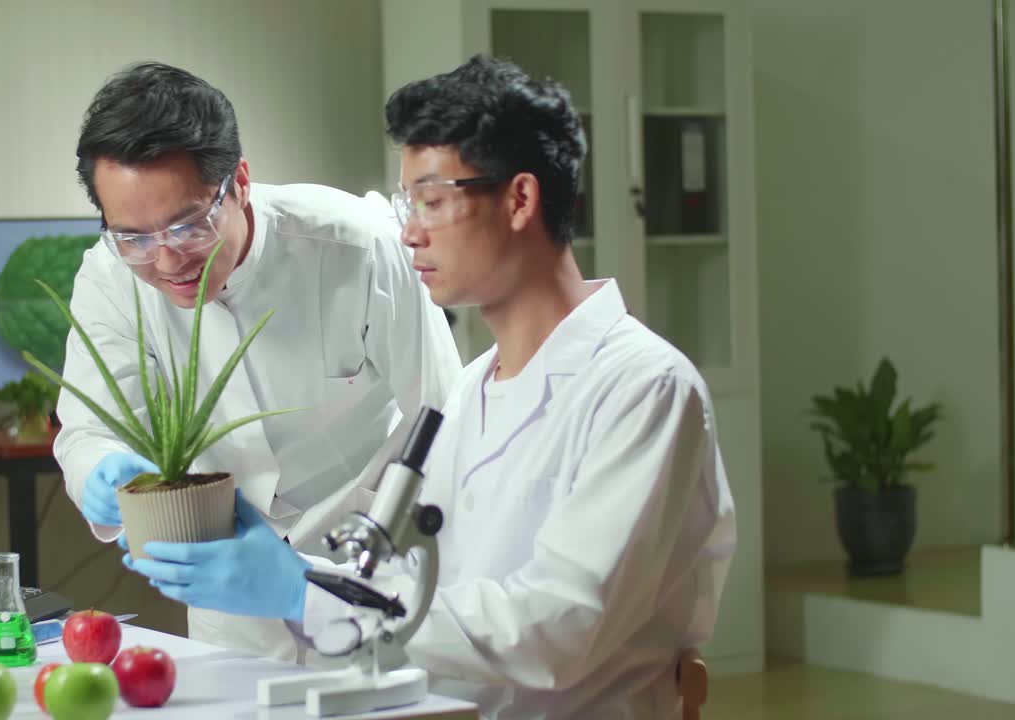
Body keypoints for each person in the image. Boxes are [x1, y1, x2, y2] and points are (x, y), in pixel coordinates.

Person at [126, 55, 737, 719]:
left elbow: (558, 628)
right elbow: (413, 592)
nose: (410, 232)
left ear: (520, 200)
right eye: (405, 204)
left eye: (433, 202)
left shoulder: (644, 389)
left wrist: (302, 591)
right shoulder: (473, 389)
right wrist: (286, 570)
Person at [55, 61, 462, 660]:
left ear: (239, 182)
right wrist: (103, 470)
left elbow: (448, 420)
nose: (166, 261)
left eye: (187, 226)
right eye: (134, 238)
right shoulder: (110, 279)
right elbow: (91, 428)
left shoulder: (359, 247)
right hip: (233, 598)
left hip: (374, 568)